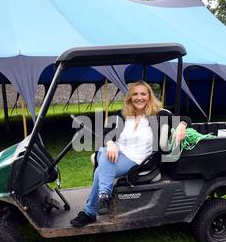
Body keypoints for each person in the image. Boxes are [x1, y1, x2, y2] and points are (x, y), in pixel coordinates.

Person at [70, 80, 191, 227]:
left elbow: (185, 119)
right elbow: (106, 133)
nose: (139, 97)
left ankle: (91, 210)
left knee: (101, 166)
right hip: (116, 154)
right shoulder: (122, 115)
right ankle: (103, 198)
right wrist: (109, 143)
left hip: (138, 159)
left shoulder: (159, 114)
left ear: (149, 96)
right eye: (135, 94)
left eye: (143, 94)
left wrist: (182, 126)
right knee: (104, 151)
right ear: (130, 97)